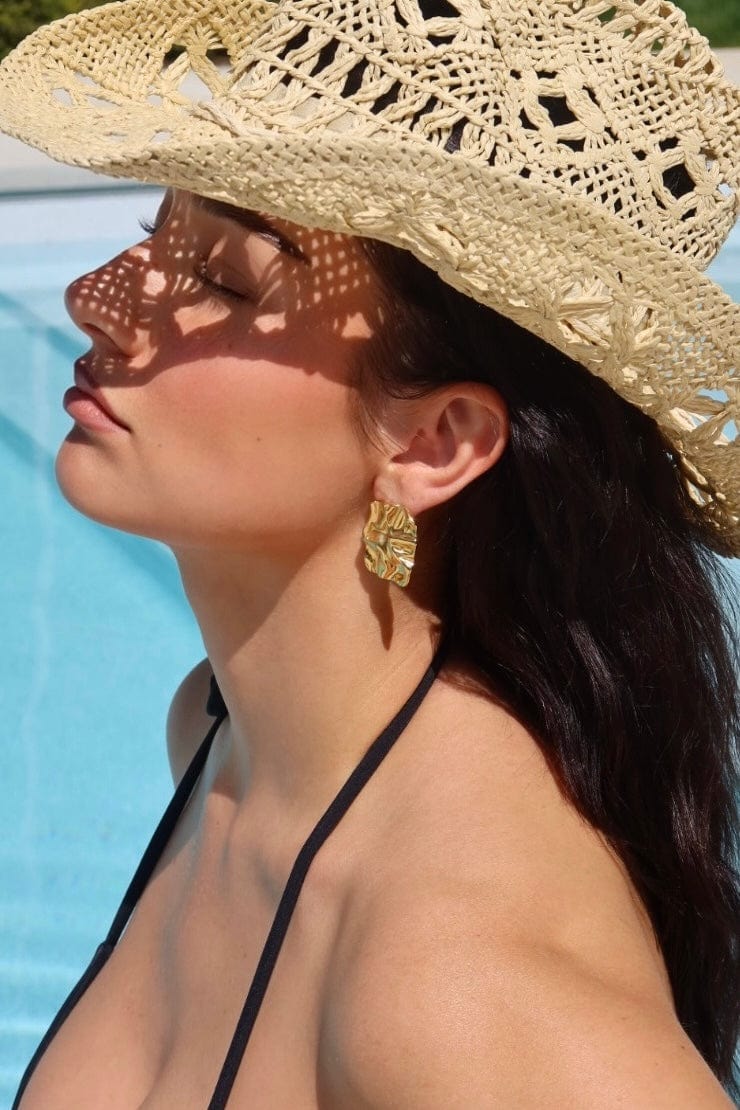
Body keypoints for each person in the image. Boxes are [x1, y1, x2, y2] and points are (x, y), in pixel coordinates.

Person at [1, 0, 738, 1106]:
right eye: (157, 231)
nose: (93, 298)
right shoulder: (221, 733)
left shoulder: (463, 985)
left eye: (224, 281)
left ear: (433, 444)